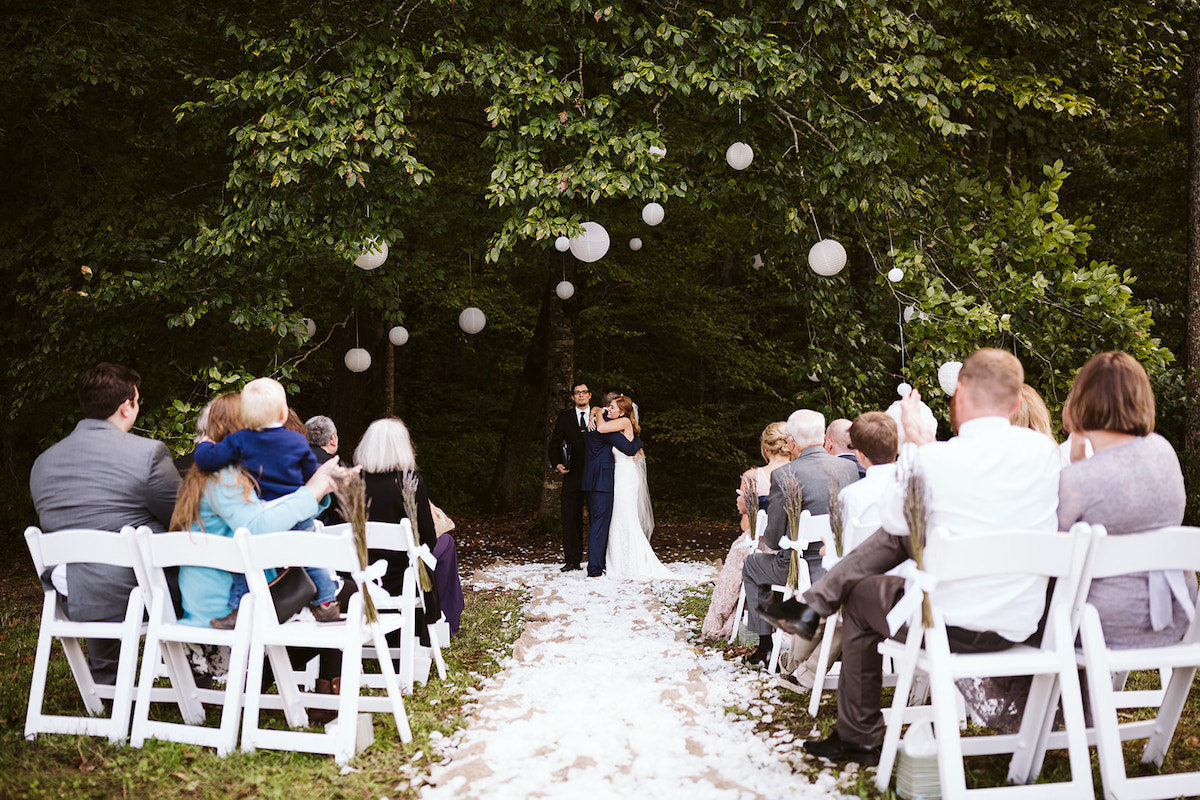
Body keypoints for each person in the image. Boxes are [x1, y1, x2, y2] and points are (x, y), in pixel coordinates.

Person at [758, 348, 1061, 765]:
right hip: (1020, 621)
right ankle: (814, 608)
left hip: (952, 625)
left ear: (959, 398)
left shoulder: (933, 459)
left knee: (863, 593)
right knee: (897, 545)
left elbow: (895, 523)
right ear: (1014, 404)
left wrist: (919, 443)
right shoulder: (1045, 454)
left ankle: (859, 731)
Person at [171, 393, 348, 710]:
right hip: (230, 610)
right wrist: (311, 492)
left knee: (319, 592)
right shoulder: (224, 479)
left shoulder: (204, 475)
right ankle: (315, 689)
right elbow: (255, 526)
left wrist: (317, 494)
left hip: (214, 599)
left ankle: (272, 685)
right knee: (337, 601)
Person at [30, 362, 181, 684]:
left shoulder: (44, 461)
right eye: (137, 401)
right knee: (203, 574)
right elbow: (181, 522)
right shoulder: (147, 454)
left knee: (102, 565)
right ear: (126, 406)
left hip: (70, 593)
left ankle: (106, 680)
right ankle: (201, 676)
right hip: (135, 593)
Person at [1057, 351, 1192, 647]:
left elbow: (1056, 551)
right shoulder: (1164, 452)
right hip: (1174, 617)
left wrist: (1077, 466)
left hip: (1099, 625)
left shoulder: (1078, 480)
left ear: (1085, 401)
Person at [193, 378, 339, 626]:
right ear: (284, 413)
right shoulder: (297, 441)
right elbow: (310, 474)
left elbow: (207, 460)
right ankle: (326, 601)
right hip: (294, 508)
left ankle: (238, 607)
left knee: (244, 552)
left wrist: (205, 445)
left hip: (262, 508)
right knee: (308, 554)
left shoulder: (240, 440)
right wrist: (314, 489)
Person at [779, 411, 899, 693]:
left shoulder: (854, 495)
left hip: (866, 592)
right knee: (837, 597)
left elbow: (838, 560)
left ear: (859, 455)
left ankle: (795, 664)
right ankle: (802, 671)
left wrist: (827, 550)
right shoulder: (914, 486)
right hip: (905, 589)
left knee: (835, 596)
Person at [740, 409, 861, 667]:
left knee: (751, 566)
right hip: (841, 566)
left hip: (801, 567)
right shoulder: (849, 468)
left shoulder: (784, 475)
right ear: (823, 436)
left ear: (792, 442)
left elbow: (772, 540)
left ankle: (765, 647)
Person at [354, 417, 465, 637]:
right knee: (446, 543)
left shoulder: (352, 481)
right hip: (403, 574)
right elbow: (428, 540)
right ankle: (447, 620)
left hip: (360, 572)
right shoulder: (410, 481)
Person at [701, 421, 792, 640]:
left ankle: (727, 616)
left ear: (766, 449)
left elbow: (746, 526)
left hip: (760, 548)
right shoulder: (800, 474)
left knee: (741, 549)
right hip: (791, 550)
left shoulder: (752, 476)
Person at [592, 396, 673, 580]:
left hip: (625, 476)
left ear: (622, 412)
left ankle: (630, 563)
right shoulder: (621, 424)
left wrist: (596, 412)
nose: (608, 409)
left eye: (611, 407)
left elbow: (601, 428)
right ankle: (620, 562)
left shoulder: (623, 421)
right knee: (619, 517)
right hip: (619, 475)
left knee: (624, 517)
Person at [581, 391, 645, 577]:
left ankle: (600, 563)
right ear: (608, 407)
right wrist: (637, 438)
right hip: (601, 481)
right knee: (599, 523)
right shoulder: (604, 425)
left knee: (599, 522)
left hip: (594, 479)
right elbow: (629, 447)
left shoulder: (597, 421)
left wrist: (595, 411)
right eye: (612, 406)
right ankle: (595, 569)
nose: (611, 409)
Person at [547, 383, 592, 572]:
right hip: (572, 474)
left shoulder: (599, 415)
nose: (581, 396)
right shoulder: (565, 417)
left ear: (589, 395)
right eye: (577, 393)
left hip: (594, 474)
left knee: (597, 517)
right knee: (570, 517)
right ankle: (572, 559)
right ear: (573, 397)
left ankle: (599, 559)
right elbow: (555, 442)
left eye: (584, 392)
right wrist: (557, 463)